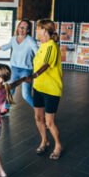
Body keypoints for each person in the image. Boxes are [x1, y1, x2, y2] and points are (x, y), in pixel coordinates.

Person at [24, 19, 63, 160]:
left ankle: (58, 145)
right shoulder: (42, 45)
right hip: (39, 87)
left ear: (45, 31)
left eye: (38, 29)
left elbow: (46, 65)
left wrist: (34, 75)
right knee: (38, 118)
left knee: (49, 122)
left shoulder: (51, 46)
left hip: (51, 90)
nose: (36, 31)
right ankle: (44, 141)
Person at [0, 20, 38, 115]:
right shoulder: (14, 38)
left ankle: (39, 111)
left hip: (26, 70)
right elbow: (6, 46)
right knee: (9, 90)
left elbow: (37, 51)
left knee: (26, 95)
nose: (22, 29)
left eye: (24, 27)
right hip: (15, 69)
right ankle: (6, 108)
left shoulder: (30, 40)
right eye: (21, 26)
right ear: (18, 27)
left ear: (28, 30)